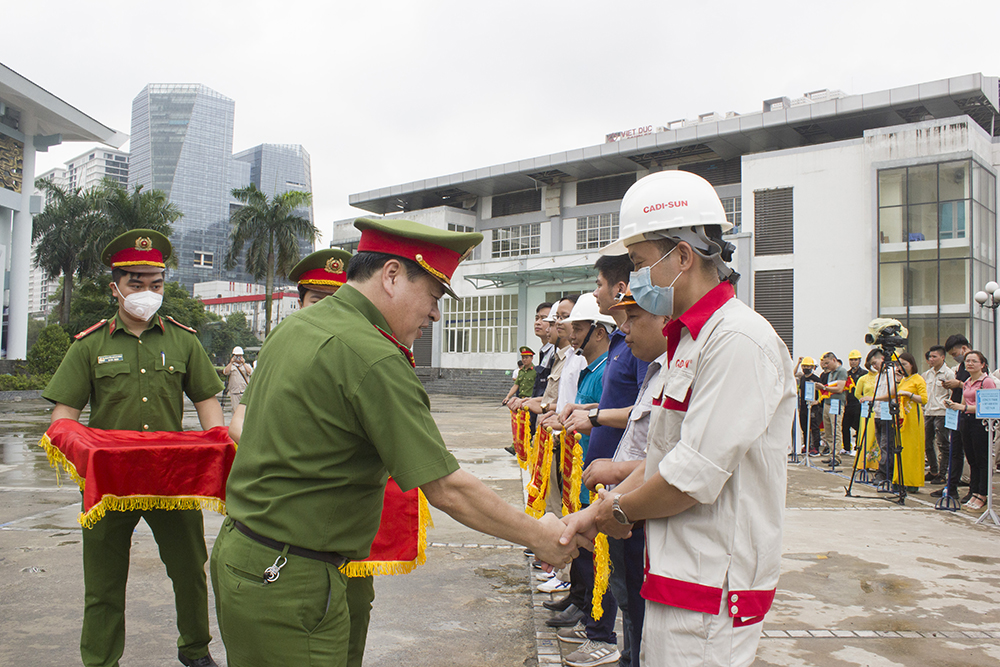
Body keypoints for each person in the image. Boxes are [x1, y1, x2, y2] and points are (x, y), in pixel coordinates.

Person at [212, 218, 585, 666]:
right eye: (432, 295)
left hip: (248, 560)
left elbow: (248, 426)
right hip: (293, 581)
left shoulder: (297, 328)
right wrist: (538, 535)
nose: (435, 314)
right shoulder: (372, 356)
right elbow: (447, 488)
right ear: (390, 276)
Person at [562, 171, 795, 667]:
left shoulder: (737, 341)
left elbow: (691, 476)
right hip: (676, 577)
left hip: (711, 591)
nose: (637, 280)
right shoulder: (688, 343)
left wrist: (613, 513)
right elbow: (665, 457)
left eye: (644, 264)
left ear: (683, 257)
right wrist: (594, 512)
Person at [42, 229, 225, 667]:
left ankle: (195, 651)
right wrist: (83, 455)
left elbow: (208, 408)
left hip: (172, 478)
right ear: (115, 288)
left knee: (189, 571)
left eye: (156, 285)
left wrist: (214, 452)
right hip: (109, 483)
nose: (147, 293)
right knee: (103, 581)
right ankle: (101, 660)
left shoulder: (184, 341)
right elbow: (62, 419)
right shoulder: (90, 345)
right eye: (136, 284)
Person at [579, 286, 668, 667]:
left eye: (633, 319)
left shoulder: (680, 373)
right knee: (631, 608)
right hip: (625, 508)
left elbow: (673, 461)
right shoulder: (654, 371)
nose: (623, 329)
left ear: (666, 318)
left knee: (640, 613)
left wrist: (615, 479)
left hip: (641, 517)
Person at [228, 248, 352, 443]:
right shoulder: (279, 349)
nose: (328, 310)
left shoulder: (357, 356)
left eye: (338, 301)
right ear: (300, 304)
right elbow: (238, 424)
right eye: (316, 301)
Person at [944, 349, 995, 510]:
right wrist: (953, 405)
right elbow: (963, 404)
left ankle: (983, 493)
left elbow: (987, 406)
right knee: (971, 458)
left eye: (974, 361)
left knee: (982, 459)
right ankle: (974, 491)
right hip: (965, 421)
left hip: (980, 423)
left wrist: (963, 407)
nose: (970, 364)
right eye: (968, 361)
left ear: (983, 364)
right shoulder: (966, 382)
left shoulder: (986, 382)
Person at [874, 352, 926, 492]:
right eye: (898, 364)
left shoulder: (918, 379)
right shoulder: (903, 380)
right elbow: (892, 394)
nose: (900, 367)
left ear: (911, 364)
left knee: (912, 450)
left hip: (913, 418)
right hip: (901, 419)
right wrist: (873, 399)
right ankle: (899, 478)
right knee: (899, 449)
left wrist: (909, 394)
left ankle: (913, 481)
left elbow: (924, 399)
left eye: (904, 364)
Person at [935, 335, 973, 501]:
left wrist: (958, 384)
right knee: (955, 451)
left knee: (971, 455)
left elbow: (978, 385)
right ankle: (951, 487)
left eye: (955, 353)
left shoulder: (976, 362)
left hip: (970, 413)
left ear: (964, 348)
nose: (955, 357)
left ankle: (975, 490)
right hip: (956, 411)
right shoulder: (961, 366)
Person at [922, 345, 955, 483]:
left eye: (934, 356)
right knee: (927, 442)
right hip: (929, 411)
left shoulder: (948, 374)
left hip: (942, 413)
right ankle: (933, 470)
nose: (931, 359)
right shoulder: (927, 374)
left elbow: (952, 394)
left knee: (943, 444)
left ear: (942, 357)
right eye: (930, 357)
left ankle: (943, 474)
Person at [853, 349, 885, 471]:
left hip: (880, 409)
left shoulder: (882, 376)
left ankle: (877, 463)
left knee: (879, 437)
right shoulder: (863, 378)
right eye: (871, 365)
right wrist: (864, 400)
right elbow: (857, 393)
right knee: (867, 435)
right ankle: (864, 462)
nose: (874, 367)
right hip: (868, 410)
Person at [816, 352, 848, 460]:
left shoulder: (842, 371)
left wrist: (824, 388)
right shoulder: (830, 373)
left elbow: (839, 388)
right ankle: (831, 453)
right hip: (827, 403)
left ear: (834, 360)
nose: (826, 366)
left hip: (837, 403)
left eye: (827, 363)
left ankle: (837, 456)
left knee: (836, 429)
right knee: (828, 430)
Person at [795, 357, 822, 455]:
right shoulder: (802, 378)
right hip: (803, 406)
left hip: (813, 407)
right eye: (804, 366)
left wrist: (817, 401)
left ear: (812, 367)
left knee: (814, 427)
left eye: (808, 366)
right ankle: (806, 445)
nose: (806, 368)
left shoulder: (816, 379)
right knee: (804, 427)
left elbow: (822, 392)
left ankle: (816, 447)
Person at [843, 350, 865, 449]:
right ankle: (847, 447)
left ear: (859, 361)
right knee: (845, 426)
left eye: (855, 360)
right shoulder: (847, 374)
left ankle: (858, 445)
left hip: (859, 403)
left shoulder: (864, 373)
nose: (853, 362)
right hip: (849, 403)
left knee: (858, 426)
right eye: (851, 360)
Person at [222, 346, 253, 414]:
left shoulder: (246, 365)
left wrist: (243, 363)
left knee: (245, 411)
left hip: (245, 391)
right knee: (236, 411)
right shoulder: (231, 366)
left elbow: (250, 372)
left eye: (240, 356)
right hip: (234, 392)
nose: (238, 358)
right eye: (237, 356)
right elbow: (226, 372)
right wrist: (231, 362)